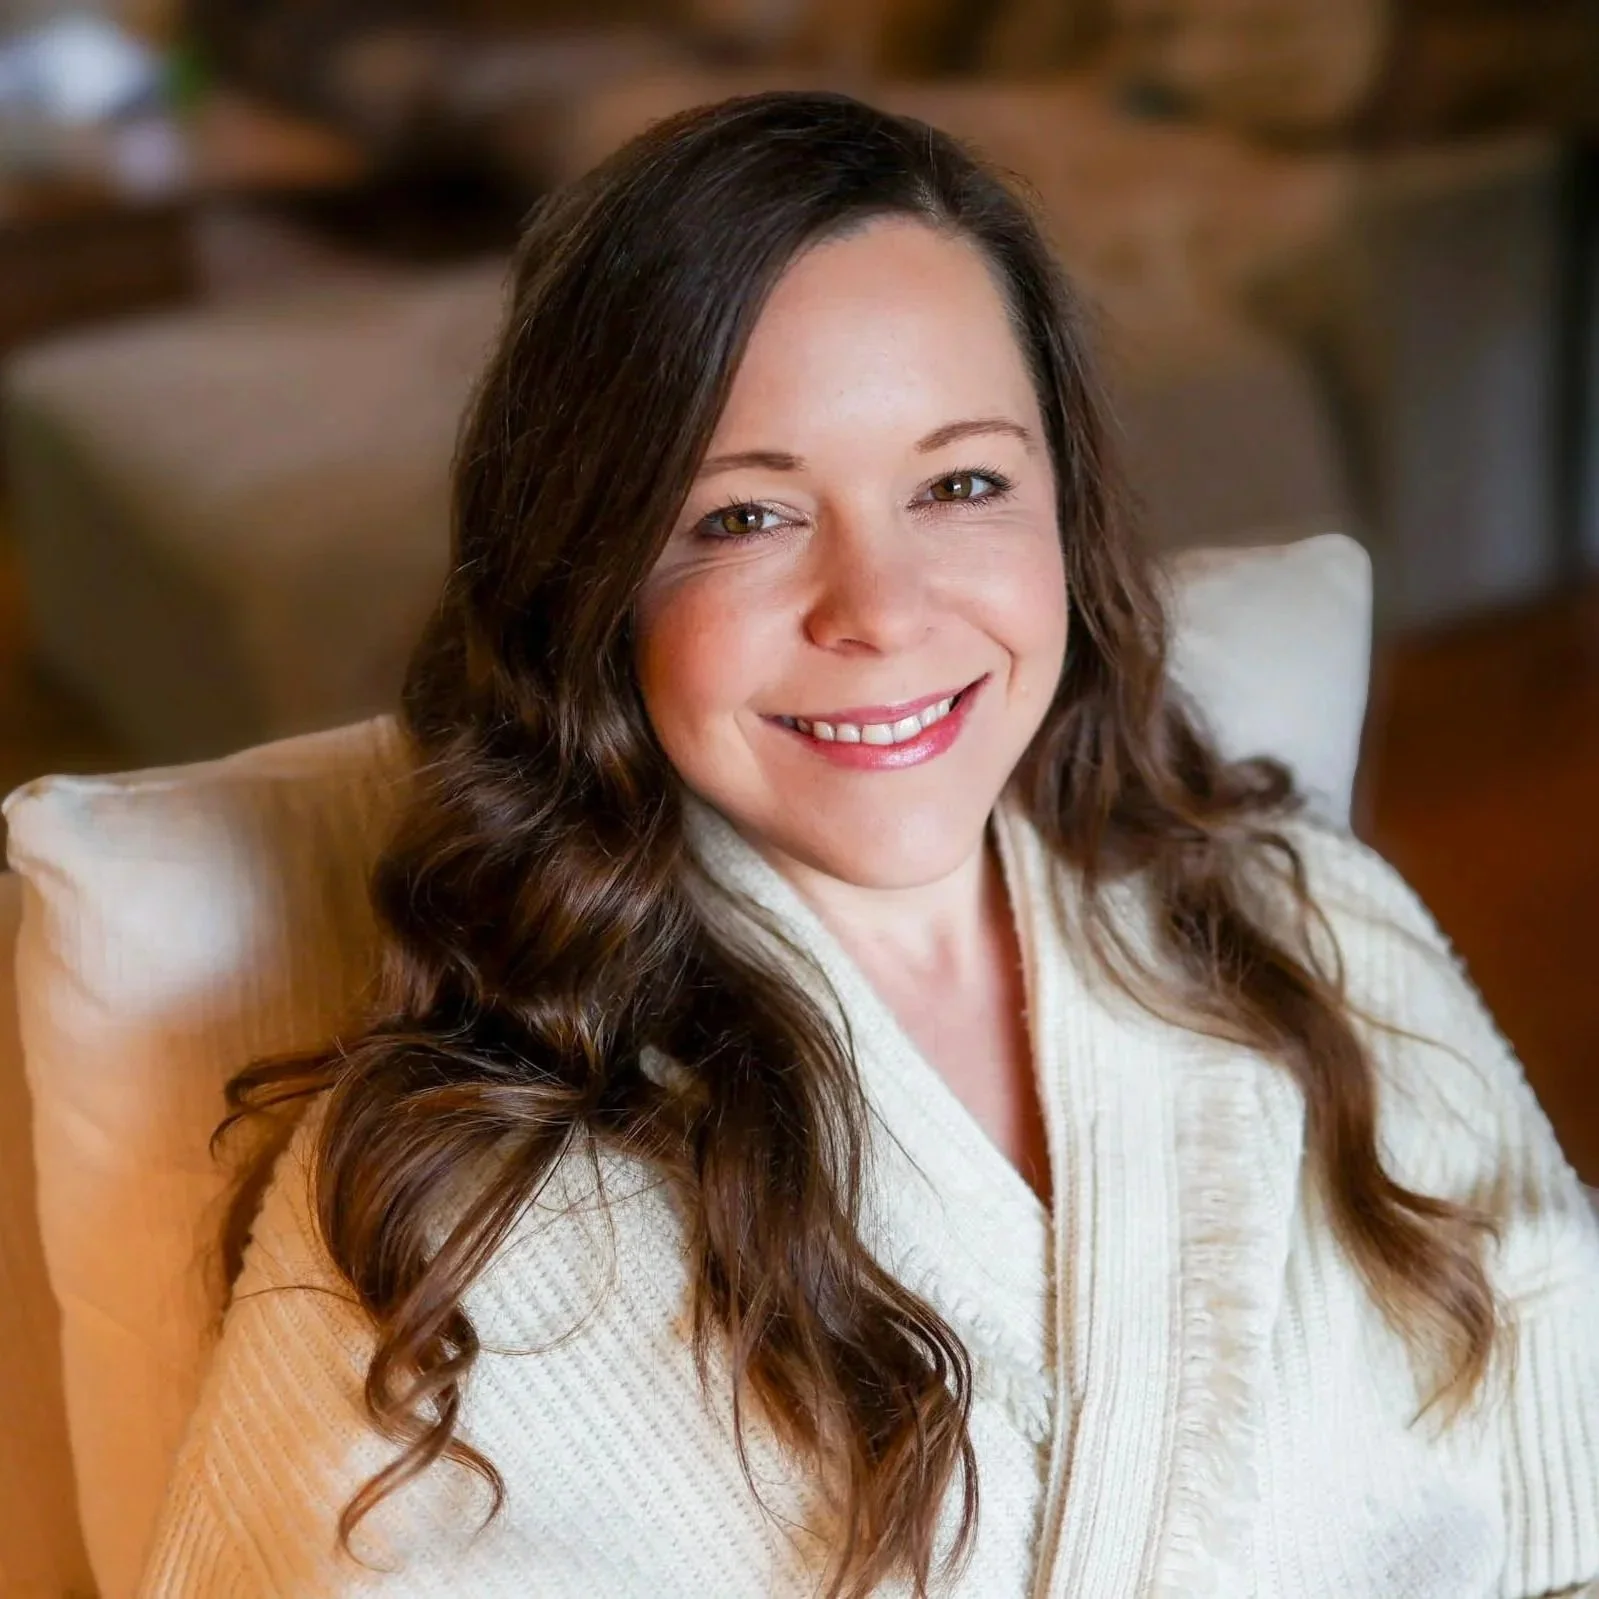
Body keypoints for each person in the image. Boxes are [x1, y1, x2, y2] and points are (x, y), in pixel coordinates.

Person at [136, 91, 1599, 1599]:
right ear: (590, 581)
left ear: (1064, 510)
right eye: (745, 515)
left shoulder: (1300, 915)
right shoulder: (456, 1192)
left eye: (959, 483)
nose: (880, 610)